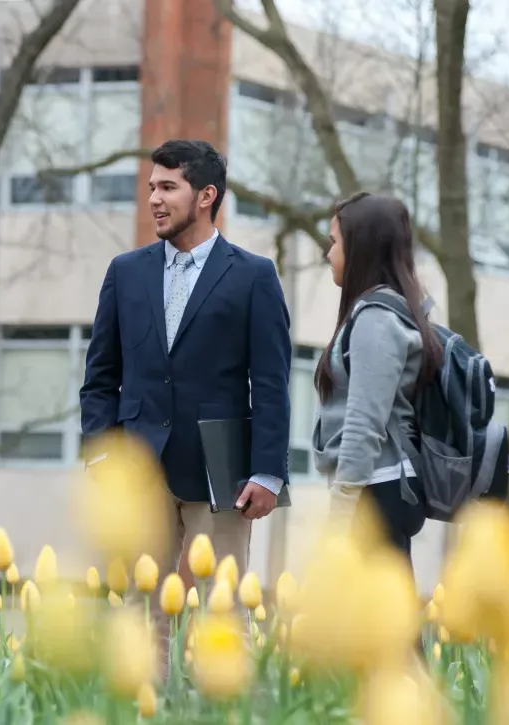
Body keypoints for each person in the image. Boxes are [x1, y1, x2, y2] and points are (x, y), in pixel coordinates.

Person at [79, 139, 292, 627]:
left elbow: (273, 383)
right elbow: (100, 377)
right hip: (139, 467)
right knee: (136, 610)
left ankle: (218, 706)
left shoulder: (255, 276)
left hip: (223, 470)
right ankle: (141, 704)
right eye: (151, 187)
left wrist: (268, 473)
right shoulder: (125, 272)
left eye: (168, 187)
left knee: (223, 609)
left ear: (205, 196)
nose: (153, 198)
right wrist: (102, 450)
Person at [312, 191, 443, 562]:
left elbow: (364, 425)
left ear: (360, 248)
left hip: (376, 494)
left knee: (377, 620)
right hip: (374, 491)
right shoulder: (379, 312)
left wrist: (338, 515)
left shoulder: (376, 319)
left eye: (334, 242)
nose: (328, 253)